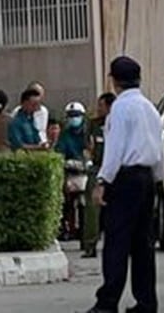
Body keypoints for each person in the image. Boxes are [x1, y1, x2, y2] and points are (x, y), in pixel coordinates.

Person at [86, 56, 163, 313]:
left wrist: (102, 181)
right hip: (146, 178)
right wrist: (157, 179)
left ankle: (108, 302)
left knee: (117, 242)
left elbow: (115, 149)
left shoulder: (120, 108)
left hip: (125, 178)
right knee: (143, 245)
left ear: (114, 80)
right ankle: (146, 301)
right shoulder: (150, 108)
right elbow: (158, 147)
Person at [81, 92, 115, 259]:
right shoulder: (93, 124)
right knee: (92, 209)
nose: (99, 109)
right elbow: (87, 145)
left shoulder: (118, 123)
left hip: (115, 169)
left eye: (101, 106)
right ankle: (90, 244)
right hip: (97, 168)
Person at [57, 101, 91, 240]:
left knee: (86, 203)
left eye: (76, 115)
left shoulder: (87, 134)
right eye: (71, 116)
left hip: (86, 172)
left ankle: (85, 230)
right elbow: (60, 152)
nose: (74, 118)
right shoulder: (65, 134)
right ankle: (68, 228)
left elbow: (91, 150)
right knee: (67, 202)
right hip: (70, 172)